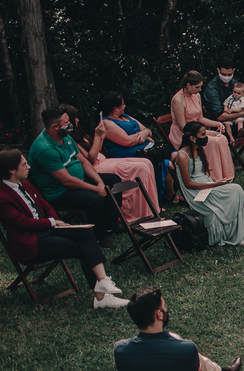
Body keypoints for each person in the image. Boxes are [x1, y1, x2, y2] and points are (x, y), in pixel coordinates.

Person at [0, 148, 128, 309]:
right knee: (84, 247)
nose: (29, 167)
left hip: (47, 230)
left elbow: (46, 206)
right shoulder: (2, 196)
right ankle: (101, 298)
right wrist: (52, 222)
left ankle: (102, 281)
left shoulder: (25, 185)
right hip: (31, 241)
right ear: (12, 170)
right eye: (24, 164)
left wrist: (57, 221)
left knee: (86, 232)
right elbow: (22, 223)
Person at [28, 106, 121, 242]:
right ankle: (99, 237)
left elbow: (84, 162)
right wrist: (96, 189)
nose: (70, 124)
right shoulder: (45, 149)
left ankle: (110, 226)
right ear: (56, 126)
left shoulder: (66, 138)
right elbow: (67, 181)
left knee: (114, 180)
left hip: (79, 180)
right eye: (66, 122)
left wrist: (99, 182)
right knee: (95, 199)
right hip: (60, 191)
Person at [174, 121, 244, 247]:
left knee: (236, 190)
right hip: (195, 192)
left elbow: (204, 173)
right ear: (192, 138)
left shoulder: (198, 149)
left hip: (207, 184)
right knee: (236, 189)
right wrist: (214, 185)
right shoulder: (182, 156)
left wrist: (216, 182)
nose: (206, 137)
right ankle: (238, 235)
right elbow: (188, 184)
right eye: (203, 135)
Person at [67, 104, 159, 223]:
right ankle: (136, 213)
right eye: (74, 118)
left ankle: (152, 209)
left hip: (103, 160)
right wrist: (97, 136)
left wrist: (101, 137)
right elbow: (90, 159)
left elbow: (97, 150)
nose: (77, 120)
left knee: (147, 162)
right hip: (96, 166)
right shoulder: (70, 140)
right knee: (140, 168)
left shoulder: (79, 133)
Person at [98, 91, 174, 204]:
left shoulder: (125, 116)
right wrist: (143, 135)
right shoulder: (107, 123)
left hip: (145, 148)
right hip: (128, 154)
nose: (125, 106)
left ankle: (174, 191)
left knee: (175, 154)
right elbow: (127, 142)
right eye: (122, 104)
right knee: (167, 163)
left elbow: (148, 130)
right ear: (115, 108)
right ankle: (168, 195)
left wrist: (144, 133)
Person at [170, 70, 235, 181]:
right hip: (185, 134)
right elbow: (183, 127)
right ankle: (213, 177)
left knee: (222, 138)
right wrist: (206, 132)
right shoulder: (178, 99)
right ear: (188, 85)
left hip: (199, 130)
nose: (200, 89)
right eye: (197, 87)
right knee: (212, 142)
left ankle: (226, 175)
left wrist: (217, 123)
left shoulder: (197, 96)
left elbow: (200, 118)